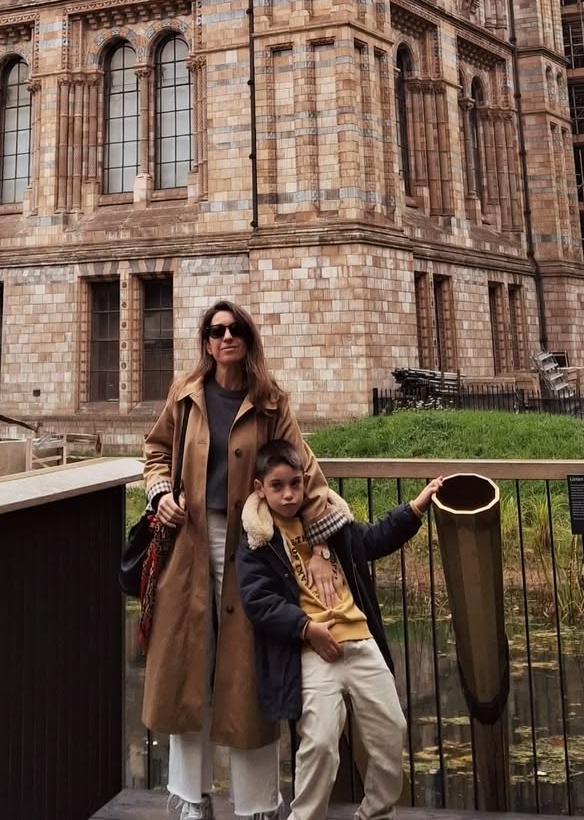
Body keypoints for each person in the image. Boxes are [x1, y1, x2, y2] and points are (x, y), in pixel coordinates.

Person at [142, 301, 348, 820]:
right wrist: (161, 492)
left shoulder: (269, 400)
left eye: (235, 329)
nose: (226, 337)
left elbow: (304, 473)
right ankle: (190, 798)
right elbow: (156, 451)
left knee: (247, 673)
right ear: (206, 342)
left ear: (248, 338)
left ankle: (257, 803)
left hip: (254, 548)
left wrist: (321, 547)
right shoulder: (186, 393)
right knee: (189, 669)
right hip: (190, 545)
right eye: (216, 331)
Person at [237, 438, 443, 820]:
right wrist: (306, 628)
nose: (288, 494)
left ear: (306, 482)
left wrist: (415, 507)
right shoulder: (259, 540)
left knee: (391, 729)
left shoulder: (330, 524)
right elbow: (258, 600)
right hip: (313, 651)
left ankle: (376, 813)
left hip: (360, 642)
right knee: (319, 742)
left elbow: (373, 539)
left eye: (295, 484)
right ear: (260, 489)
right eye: (278, 486)